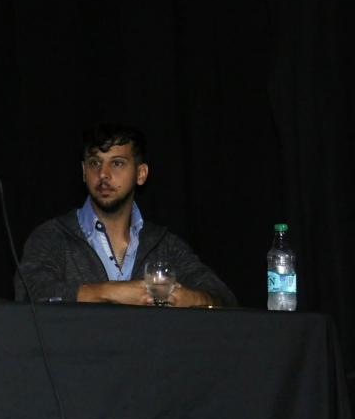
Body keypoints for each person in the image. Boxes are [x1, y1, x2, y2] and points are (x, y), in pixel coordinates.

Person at [15, 123, 236, 307]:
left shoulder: (164, 245)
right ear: (84, 172)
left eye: (117, 163)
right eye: (95, 163)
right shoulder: (52, 237)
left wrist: (187, 298)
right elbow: (30, 294)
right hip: (74, 359)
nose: (103, 174)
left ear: (141, 174)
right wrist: (109, 292)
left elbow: (224, 299)